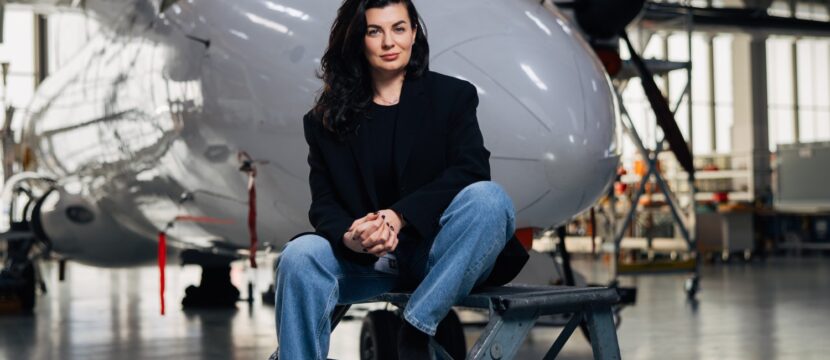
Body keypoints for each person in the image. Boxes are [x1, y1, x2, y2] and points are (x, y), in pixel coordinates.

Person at [274, 0, 529, 358]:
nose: (388, 42)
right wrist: (352, 237)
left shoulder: (452, 97)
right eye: (374, 31)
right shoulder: (324, 120)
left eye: (398, 28)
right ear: (357, 40)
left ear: (413, 33)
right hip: (369, 260)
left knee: (490, 200)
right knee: (299, 256)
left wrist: (398, 216)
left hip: (439, 254)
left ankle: (416, 326)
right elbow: (324, 204)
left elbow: (470, 170)